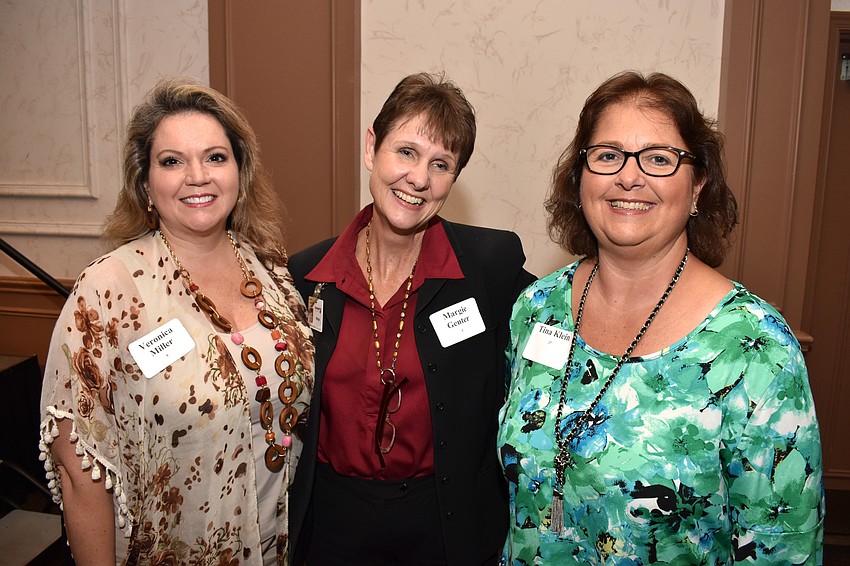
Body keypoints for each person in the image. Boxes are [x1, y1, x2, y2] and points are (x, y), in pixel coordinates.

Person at [498, 71, 824, 564]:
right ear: (579, 179)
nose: (629, 177)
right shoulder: (536, 307)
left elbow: (783, 549)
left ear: (697, 187)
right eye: (607, 156)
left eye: (658, 158)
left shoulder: (756, 348)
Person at [39, 77, 314, 565]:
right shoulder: (110, 290)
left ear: (239, 172)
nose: (197, 176)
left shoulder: (271, 272)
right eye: (172, 161)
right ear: (145, 183)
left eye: (215, 157)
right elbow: (79, 470)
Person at [287, 72, 535, 565]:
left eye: (440, 164)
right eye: (405, 152)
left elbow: (569, 320)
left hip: (444, 523)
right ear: (371, 148)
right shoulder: (306, 275)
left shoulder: (487, 267)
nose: (419, 178)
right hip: (333, 523)